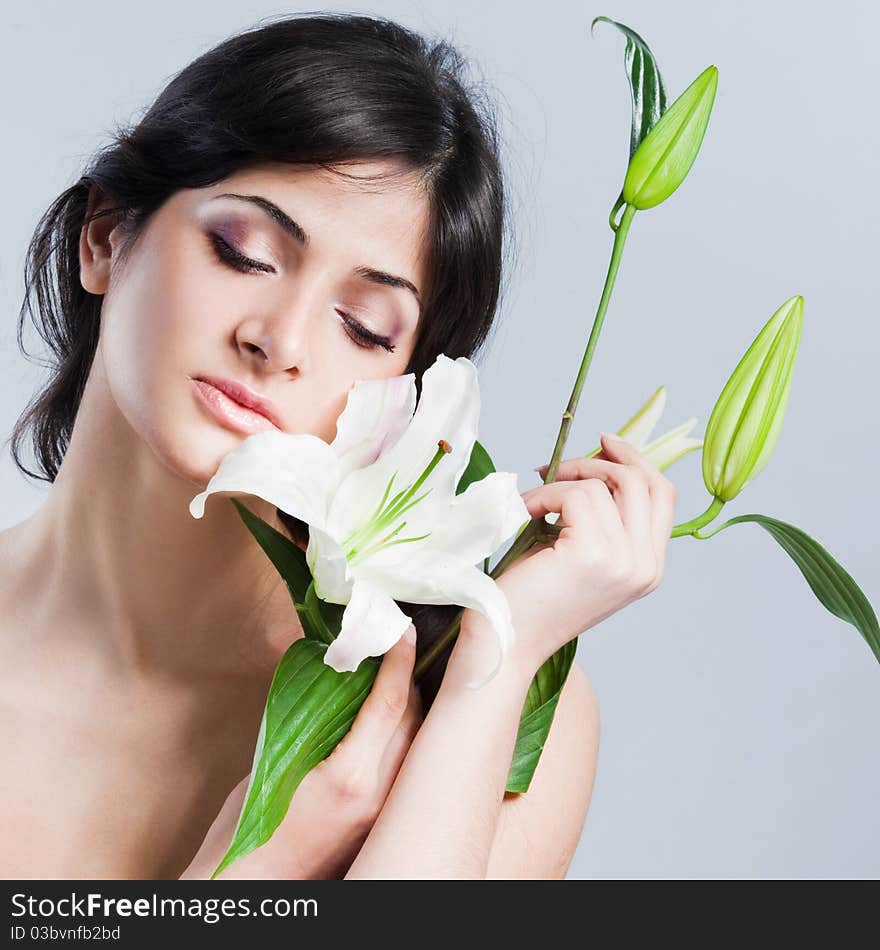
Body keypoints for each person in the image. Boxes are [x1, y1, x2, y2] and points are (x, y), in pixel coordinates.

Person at [0, 12, 675, 880]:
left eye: (362, 326)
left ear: (407, 395)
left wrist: (493, 673)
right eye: (241, 252)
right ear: (105, 236)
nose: (280, 341)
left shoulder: (478, 702)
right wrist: (255, 874)